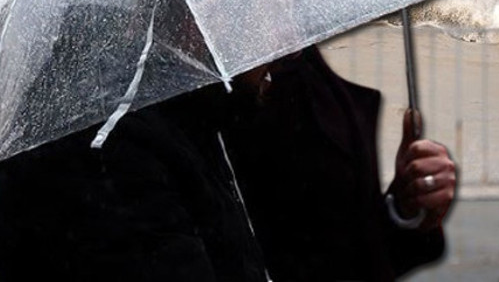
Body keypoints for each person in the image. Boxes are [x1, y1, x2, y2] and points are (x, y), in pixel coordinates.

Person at [0, 44, 456, 281]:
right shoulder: (114, 139)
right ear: (208, 6)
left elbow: (315, 246)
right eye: (272, 10)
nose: (289, 49)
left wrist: (404, 210)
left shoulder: (212, 105)